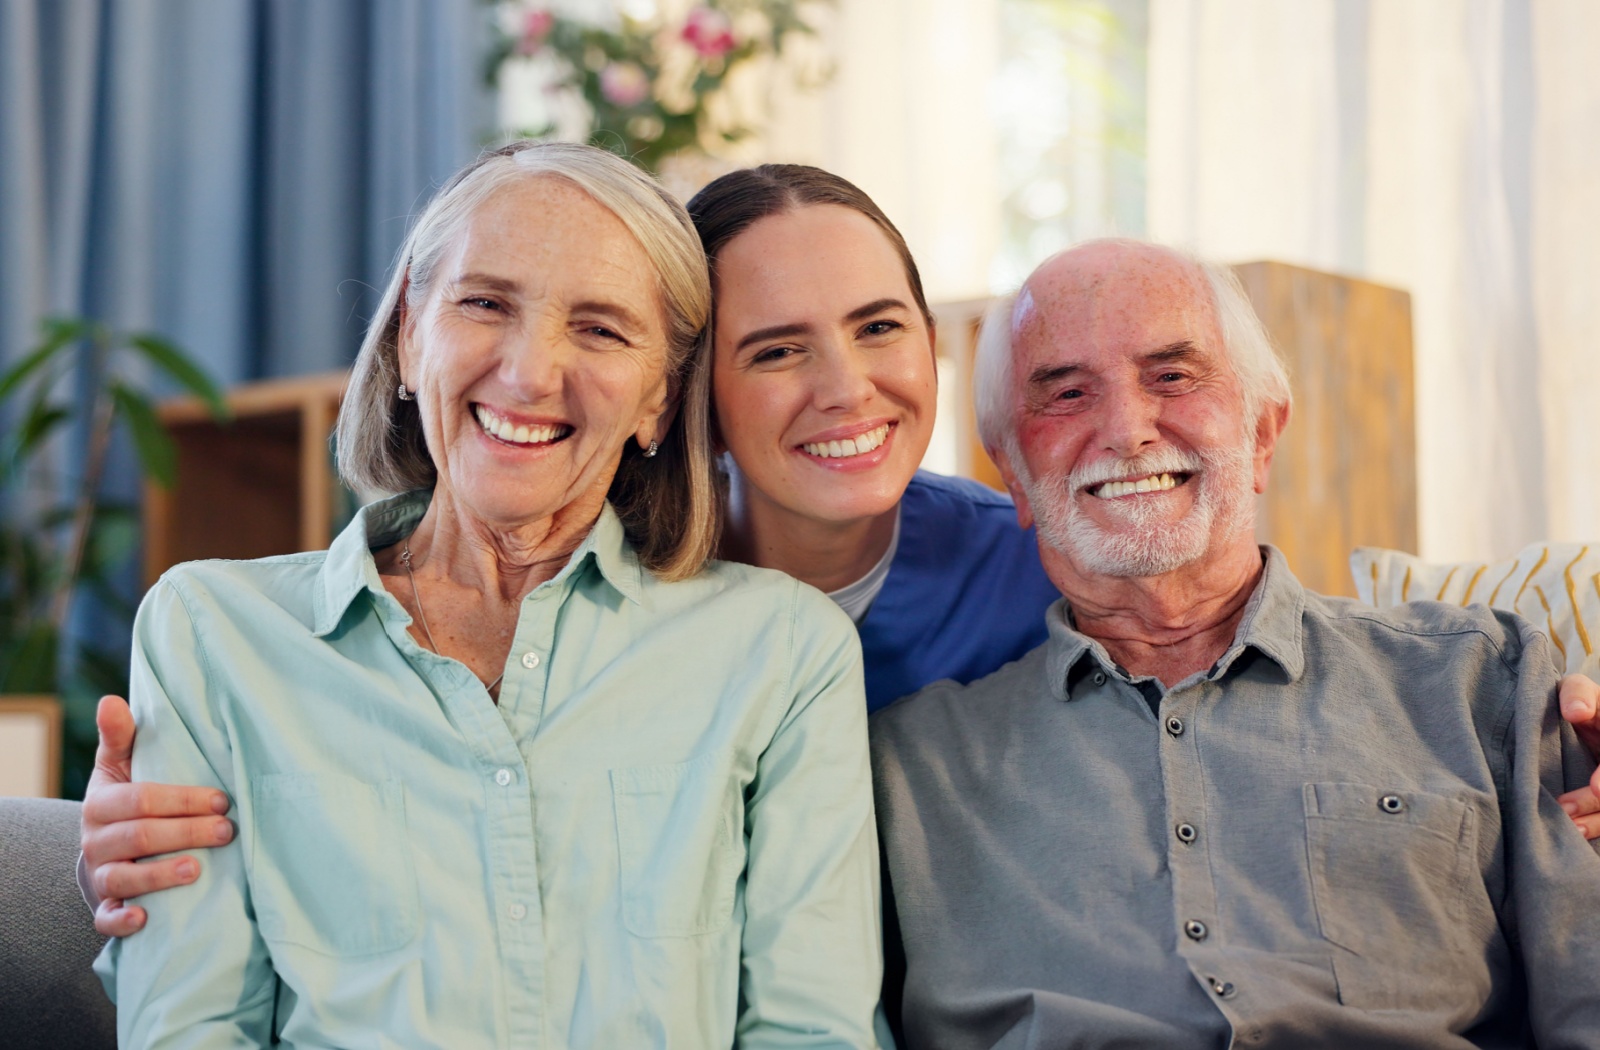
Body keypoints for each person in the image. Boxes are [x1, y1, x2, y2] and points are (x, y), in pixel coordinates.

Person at [79, 164, 1600, 934]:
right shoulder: (574, 581)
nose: (845, 389)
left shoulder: (1033, 555)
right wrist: (150, 818)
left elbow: (1267, 661)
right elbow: (361, 738)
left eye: (880, 328)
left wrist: (1545, 751)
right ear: (686, 396)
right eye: (775, 348)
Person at [94, 141, 886, 1048]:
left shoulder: (783, 653)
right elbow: (185, 1030)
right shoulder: (211, 635)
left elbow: (814, 1033)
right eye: (484, 303)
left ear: (658, 401)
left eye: (600, 329)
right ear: (407, 335)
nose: (528, 372)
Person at [870, 238, 1600, 1047]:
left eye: (1173, 376)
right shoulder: (904, 769)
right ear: (1012, 471)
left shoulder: (1484, 679)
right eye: (1068, 393)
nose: (1127, 429)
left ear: (1262, 431)